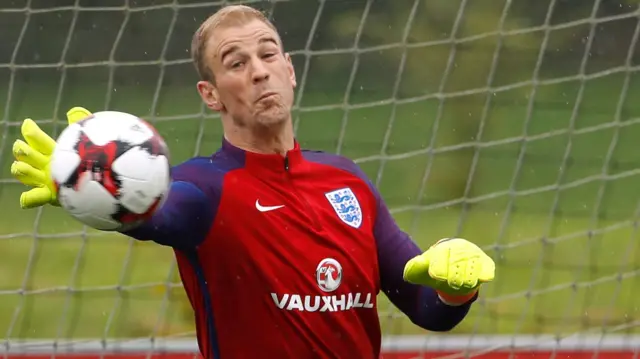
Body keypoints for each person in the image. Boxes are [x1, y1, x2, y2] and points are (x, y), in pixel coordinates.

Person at [10, 4, 495, 359]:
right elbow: (156, 210)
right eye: (236, 63)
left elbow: (428, 309)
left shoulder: (347, 182)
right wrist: (91, 182)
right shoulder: (204, 189)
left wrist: (455, 283)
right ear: (211, 94)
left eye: (268, 55)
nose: (259, 72)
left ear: (290, 70)